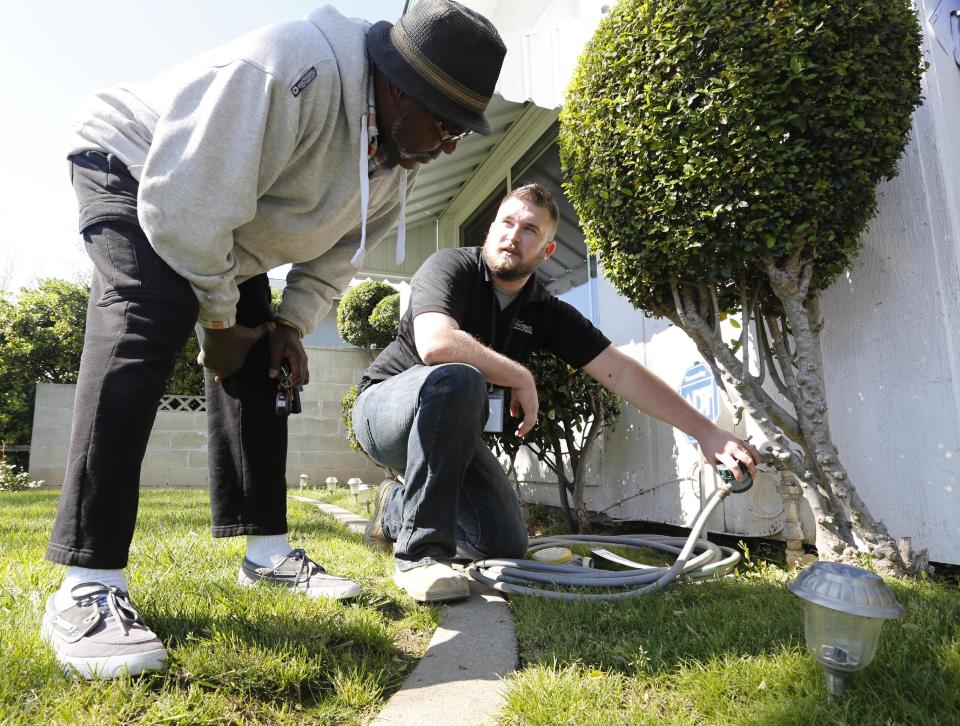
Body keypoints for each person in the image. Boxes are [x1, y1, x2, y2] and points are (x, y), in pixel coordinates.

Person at [41, 0, 507, 679]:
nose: (449, 145)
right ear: (401, 90)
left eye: (462, 130)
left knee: (265, 364)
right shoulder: (294, 68)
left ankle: (266, 554)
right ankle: (88, 583)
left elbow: (338, 253)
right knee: (145, 321)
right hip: (141, 164)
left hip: (226, 219)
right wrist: (221, 326)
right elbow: (184, 209)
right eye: (445, 122)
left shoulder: (398, 156)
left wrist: (285, 327)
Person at [352, 183, 761, 602]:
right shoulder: (451, 267)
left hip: (450, 434)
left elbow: (620, 372)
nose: (513, 236)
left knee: (503, 543)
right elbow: (436, 345)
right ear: (491, 229)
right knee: (460, 375)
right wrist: (521, 377)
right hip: (385, 411)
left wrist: (707, 432)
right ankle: (421, 557)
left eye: (529, 230)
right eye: (506, 223)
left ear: (547, 251)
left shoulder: (544, 311)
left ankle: (394, 508)